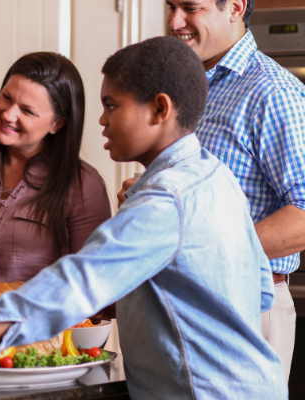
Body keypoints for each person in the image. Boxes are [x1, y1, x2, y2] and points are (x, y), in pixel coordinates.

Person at [0, 36, 286, 399]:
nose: (102, 120)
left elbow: (75, 286)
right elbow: (259, 291)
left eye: (112, 105)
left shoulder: (166, 200)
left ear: (159, 110)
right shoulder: (213, 173)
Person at [111, 0, 305, 380]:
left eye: (190, 7)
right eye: (171, 6)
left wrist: (198, 245)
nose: (174, 20)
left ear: (234, 7)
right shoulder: (184, 88)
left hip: (246, 302)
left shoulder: (271, 91)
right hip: (175, 304)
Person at [0, 52, 111, 294]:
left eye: (28, 111)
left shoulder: (83, 184)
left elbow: (93, 284)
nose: (8, 114)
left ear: (59, 123)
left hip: (39, 329)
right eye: (6, 97)